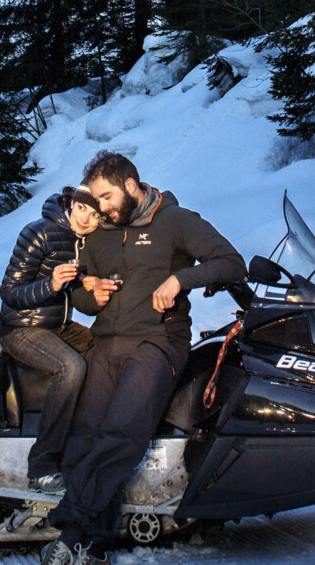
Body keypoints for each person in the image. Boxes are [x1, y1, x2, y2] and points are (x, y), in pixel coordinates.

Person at [39, 151, 245, 565]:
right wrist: (89, 296)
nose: (101, 207)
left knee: (120, 432)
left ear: (131, 186)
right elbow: (79, 293)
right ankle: (96, 546)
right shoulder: (100, 233)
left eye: (108, 197)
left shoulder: (176, 221)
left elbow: (231, 263)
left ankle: (73, 527)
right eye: (96, 199)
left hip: (157, 344)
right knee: (84, 437)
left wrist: (179, 279)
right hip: (106, 344)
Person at [0, 186, 102, 493]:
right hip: (20, 327)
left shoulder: (84, 242)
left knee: (107, 349)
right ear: (72, 202)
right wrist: (51, 284)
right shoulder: (38, 233)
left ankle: (85, 444)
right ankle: (42, 467)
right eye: (83, 208)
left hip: (58, 326)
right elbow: (9, 293)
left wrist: (88, 283)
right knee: (71, 367)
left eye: (95, 215)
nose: (86, 219)